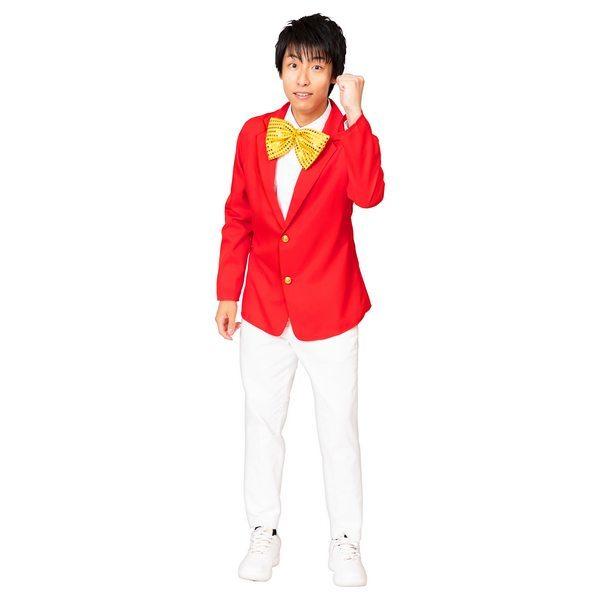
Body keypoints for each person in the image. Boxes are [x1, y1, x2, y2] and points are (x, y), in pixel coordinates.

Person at [215, 13, 385, 587]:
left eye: (316, 65)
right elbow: (238, 216)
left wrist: (356, 117)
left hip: (331, 309)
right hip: (264, 306)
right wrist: (228, 292)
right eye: (293, 65)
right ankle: (262, 532)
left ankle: (346, 540)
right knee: (261, 424)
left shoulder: (347, 134)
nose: (303, 78)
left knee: (338, 429)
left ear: (335, 74)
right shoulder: (253, 132)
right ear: (280, 71)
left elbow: (369, 194)